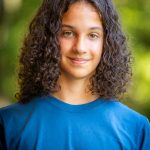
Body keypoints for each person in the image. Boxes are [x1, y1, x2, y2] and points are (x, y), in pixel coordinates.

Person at [0, 0, 150, 149]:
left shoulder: (136, 129)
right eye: (68, 33)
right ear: (48, 38)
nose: (80, 47)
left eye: (93, 35)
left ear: (107, 42)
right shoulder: (8, 124)